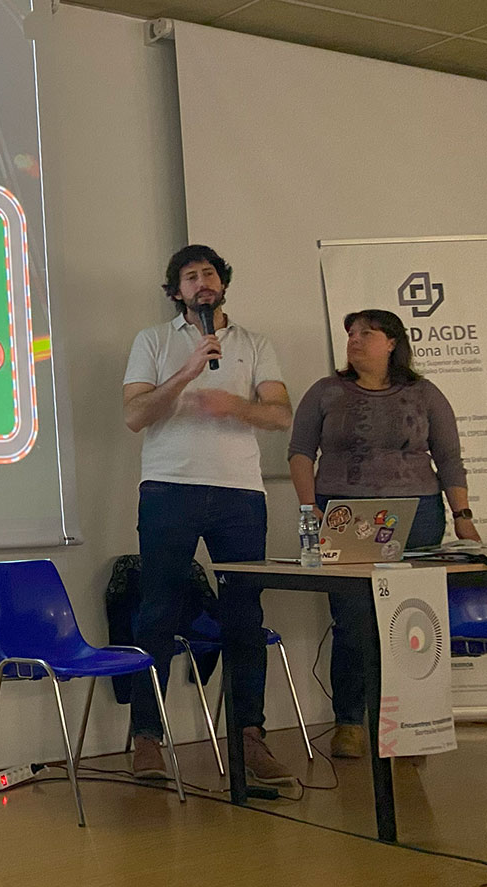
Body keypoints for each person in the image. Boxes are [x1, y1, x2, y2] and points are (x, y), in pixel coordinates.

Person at [122, 245, 297, 785]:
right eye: (190, 276)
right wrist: (187, 372)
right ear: (176, 291)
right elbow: (134, 415)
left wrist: (235, 405)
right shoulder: (153, 341)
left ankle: (249, 737)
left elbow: (281, 414)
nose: (202, 282)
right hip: (168, 489)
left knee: (244, 616)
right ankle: (147, 738)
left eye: (210, 274)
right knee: (158, 612)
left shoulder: (254, 344)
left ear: (222, 283)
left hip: (239, 496)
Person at [287, 308, 480, 758]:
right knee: (353, 621)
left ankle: (413, 723)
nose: (354, 340)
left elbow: (449, 458)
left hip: (418, 516)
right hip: (346, 515)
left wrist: (463, 515)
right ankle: (350, 722)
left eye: (366, 333)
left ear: (392, 343)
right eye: (351, 333)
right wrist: (308, 507)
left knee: (414, 620)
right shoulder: (326, 391)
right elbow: (299, 451)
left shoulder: (424, 393)